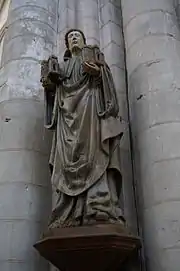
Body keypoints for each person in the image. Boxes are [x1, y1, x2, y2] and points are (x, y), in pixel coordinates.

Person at [41, 29, 125, 228]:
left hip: (91, 114)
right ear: (67, 46)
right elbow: (53, 99)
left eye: (77, 35)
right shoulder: (62, 67)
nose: (73, 38)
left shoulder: (93, 58)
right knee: (66, 160)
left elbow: (109, 91)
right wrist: (50, 87)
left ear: (84, 40)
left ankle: (97, 206)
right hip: (67, 123)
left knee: (95, 153)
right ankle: (68, 212)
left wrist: (99, 73)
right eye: (70, 37)